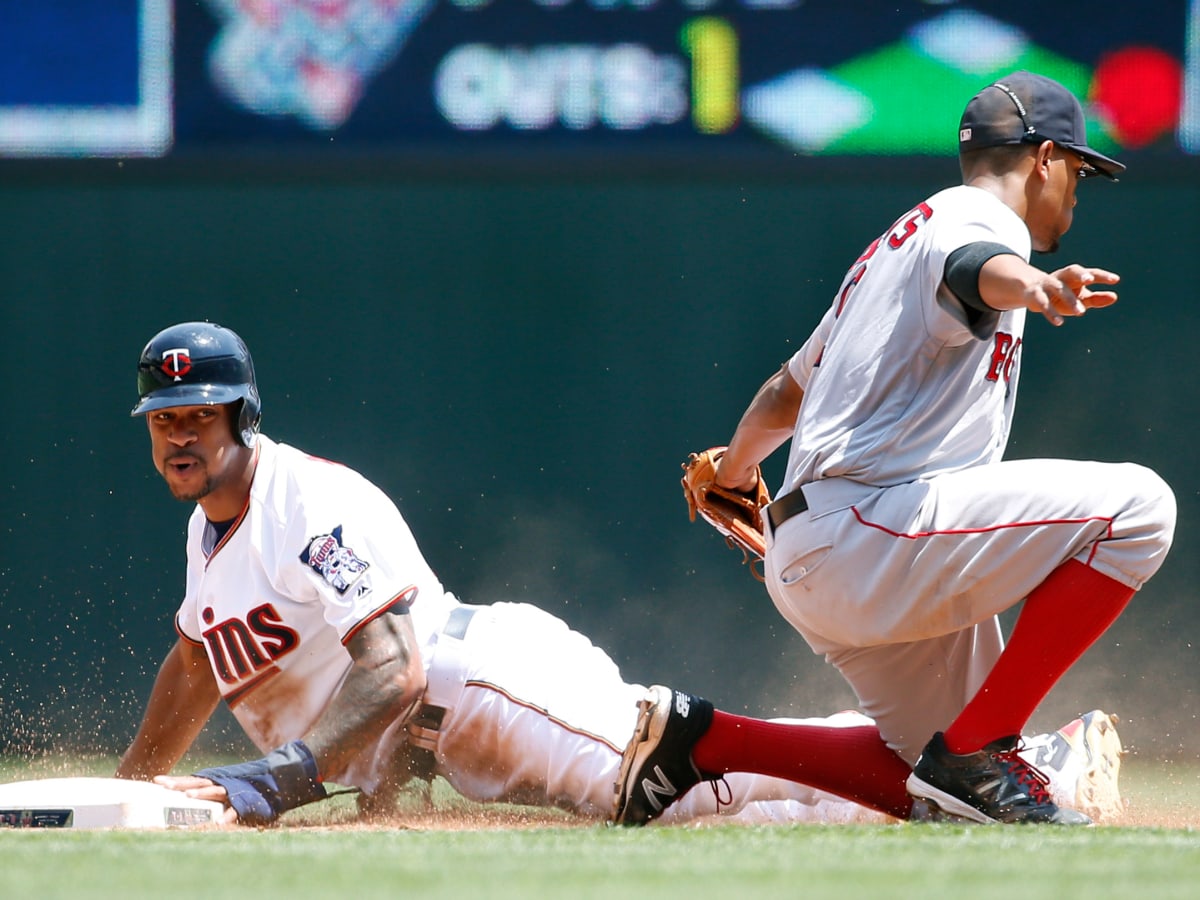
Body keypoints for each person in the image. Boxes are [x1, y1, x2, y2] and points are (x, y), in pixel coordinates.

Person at [115, 321, 1124, 827]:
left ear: (242, 416)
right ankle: (991, 759)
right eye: (165, 422)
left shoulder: (303, 502)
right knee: (702, 785)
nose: (179, 436)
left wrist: (289, 778)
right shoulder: (213, 530)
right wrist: (129, 791)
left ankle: (1025, 761)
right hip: (466, 716)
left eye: (199, 415)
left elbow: (395, 668)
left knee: (693, 793)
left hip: (483, 686)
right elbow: (199, 656)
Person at [625, 71, 1174, 827]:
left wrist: (737, 470)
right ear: (1043, 157)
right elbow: (975, 269)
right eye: (1077, 169)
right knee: (1141, 510)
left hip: (830, 553)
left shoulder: (886, 250)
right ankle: (980, 749)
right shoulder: (977, 220)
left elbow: (785, 394)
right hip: (873, 532)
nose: (1078, 191)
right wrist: (1039, 287)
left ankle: (705, 743)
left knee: (945, 796)